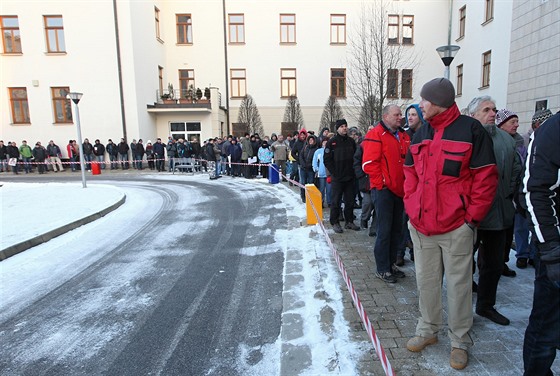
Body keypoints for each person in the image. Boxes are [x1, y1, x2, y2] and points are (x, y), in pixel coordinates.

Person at [403, 78, 498, 370]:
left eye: (425, 100)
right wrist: (412, 209)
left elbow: (486, 179)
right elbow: (410, 175)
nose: (420, 104)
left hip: (457, 227)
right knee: (426, 283)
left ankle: (459, 341)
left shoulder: (471, 131)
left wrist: (471, 221)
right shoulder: (420, 133)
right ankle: (427, 330)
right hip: (422, 227)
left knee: (458, 287)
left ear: (439, 102)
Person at [468, 98, 521, 326]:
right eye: (486, 110)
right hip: (470, 216)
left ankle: (486, 306)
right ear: (473, 115)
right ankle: (460, 309)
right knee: (461, 262)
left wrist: (505, 193)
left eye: (494, 110)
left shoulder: (505, 140)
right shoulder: (466, 137)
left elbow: (516, 170)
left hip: (499, 213)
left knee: (494, 264)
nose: (492, 114)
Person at [519, 112, 559, 376]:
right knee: (546, 326)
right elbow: (536, 190)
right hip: (555, 249)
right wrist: (552, 250)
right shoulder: (553, 130)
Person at [362, 104, 410, 283]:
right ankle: (382, 268)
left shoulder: (403, 136)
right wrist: (382, 183)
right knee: (384, 230)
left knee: (397, 229)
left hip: (400, 190)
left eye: (400, 115)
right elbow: (369, 164)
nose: (400, 117)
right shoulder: (375, 134)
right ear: (386, 116)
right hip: (383, 191)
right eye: (396, 114)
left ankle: (391, 264)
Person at [397, 104, 427, 265]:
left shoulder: (428, 134)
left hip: (424, 186)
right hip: (406, 185)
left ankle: (416, 251)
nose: (410, 117)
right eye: (409, 114)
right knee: (403, 222)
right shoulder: (405, 135)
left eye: (414, 114)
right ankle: (399, 253)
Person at [324, 119, 359, 233]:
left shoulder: (351, 142)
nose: (344, 128)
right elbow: (327, 160)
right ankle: (335, 222)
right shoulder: (332, 142)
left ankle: (349, 221)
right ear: (337, 128)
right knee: (336, 201)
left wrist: (354, 172)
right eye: (342, 126)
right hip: (337, 178)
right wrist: (334, 173)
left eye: (345, 126)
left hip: (349, 177)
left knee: (350, 201)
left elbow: (356, 158)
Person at [298, 134, 319, 202]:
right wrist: (303, 164)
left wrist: (310, 165)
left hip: (310, 169)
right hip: (303, 168)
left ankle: (309, 197)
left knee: (310, 183)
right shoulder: (305, 147)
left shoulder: (316, 149)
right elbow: (301, 156)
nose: (311, 141)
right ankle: (303, 196)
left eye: (312, 140)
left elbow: (315, 159)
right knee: (303, 182)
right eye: (309, 140)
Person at [313, 137, 331, 208]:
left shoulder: (330, 150)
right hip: (321, 174)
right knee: (321, 189)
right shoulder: (318, 151)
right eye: (324, 142)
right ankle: (321, 201)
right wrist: (316, 169)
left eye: (327, 142)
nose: (325, 143)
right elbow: (314, 161)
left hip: (329, 174)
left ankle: (330, 202)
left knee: (329, 189)